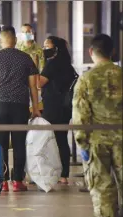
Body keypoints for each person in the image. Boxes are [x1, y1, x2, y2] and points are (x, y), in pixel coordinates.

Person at [0, 26, 41, 192]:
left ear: (0, 40)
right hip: (20, 106)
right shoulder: (26, 58)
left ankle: (3, 181)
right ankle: (17, 181)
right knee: (20, 143)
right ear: (15, 40)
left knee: (1, 145)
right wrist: (35, 108)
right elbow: (33, 87)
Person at [73, 34, 122, 217]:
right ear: (113, 52)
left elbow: (80, 115)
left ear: (91, 52)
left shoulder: (86, 79)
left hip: (96, 142)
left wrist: (82, 144)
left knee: (102, 191)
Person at [38, 36, 77, 184]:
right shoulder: (68, 65)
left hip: (52, 107)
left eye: (47, 46)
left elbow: (39, 84)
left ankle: (49, 172)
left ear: (56, 49)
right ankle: (64, 174)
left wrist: (34, 68)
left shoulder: (51, 64)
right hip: (65, 108)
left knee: (48, 139)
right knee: (61, 139)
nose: (44, 49)